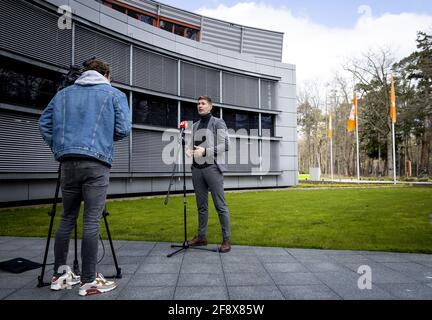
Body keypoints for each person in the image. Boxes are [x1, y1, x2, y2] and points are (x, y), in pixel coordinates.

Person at [39, 58, 131, 296]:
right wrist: (101, 137)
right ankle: (89, 281)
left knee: (66, 216)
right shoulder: (113, 94)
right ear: (106, 74)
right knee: (91, 219)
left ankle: (60, 276)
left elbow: (44, 124)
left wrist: (59, 147)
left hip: (67, 162)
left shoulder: (63, 95)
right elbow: (123, 129)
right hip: (96, 163)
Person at [186, 96, 232, 253]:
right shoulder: (195, 125)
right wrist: (189, 150)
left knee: (220, 206)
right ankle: (201, 237)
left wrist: (205, 151)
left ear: (210, 107)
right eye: (198, 104)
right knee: (201, 207)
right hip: (197, 169)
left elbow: (225, 145)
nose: (200, 106)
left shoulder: (218, 122)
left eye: (203, 103)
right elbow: (194, 145)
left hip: (212, 168)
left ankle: (226, 240)